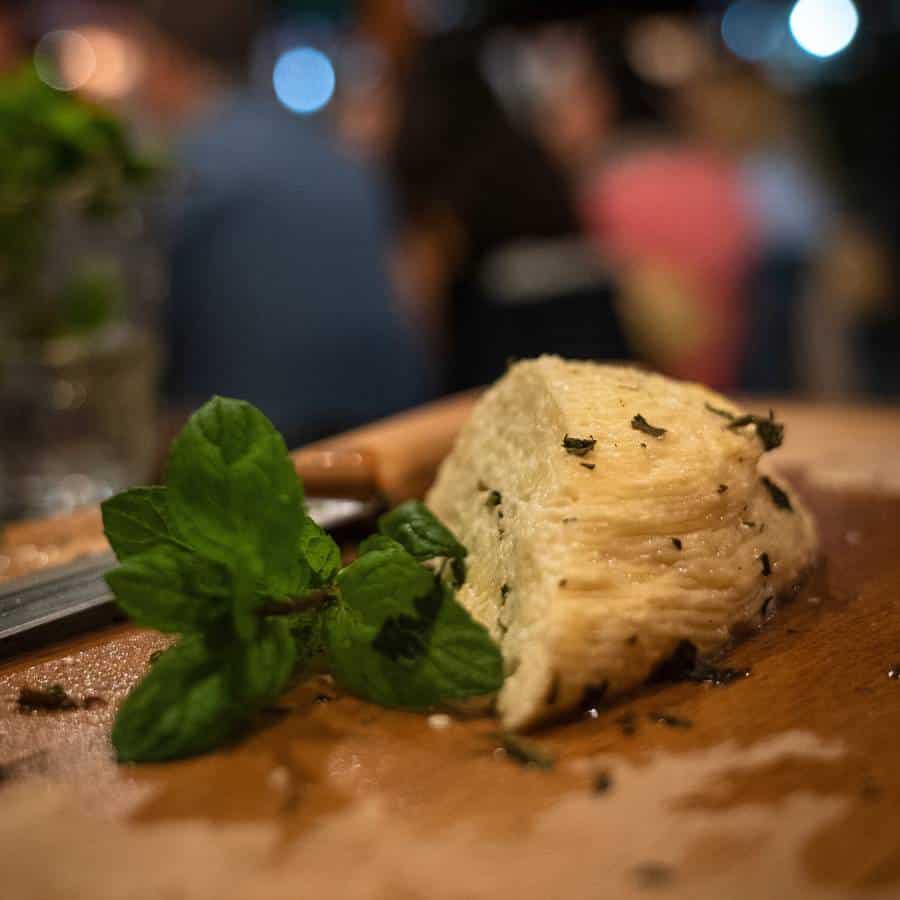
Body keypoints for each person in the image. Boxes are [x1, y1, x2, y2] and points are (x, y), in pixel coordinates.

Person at [138, 1, 429, 447]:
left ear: (166, 59)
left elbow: (147, 326)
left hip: (266, 450)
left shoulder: (184, 171)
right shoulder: (335, 154)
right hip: (394, 427)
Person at [390, 34, 632, 392]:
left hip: (502, 359)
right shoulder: (531, 154)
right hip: (600, 343)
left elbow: (422, 297)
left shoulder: (438, 173)